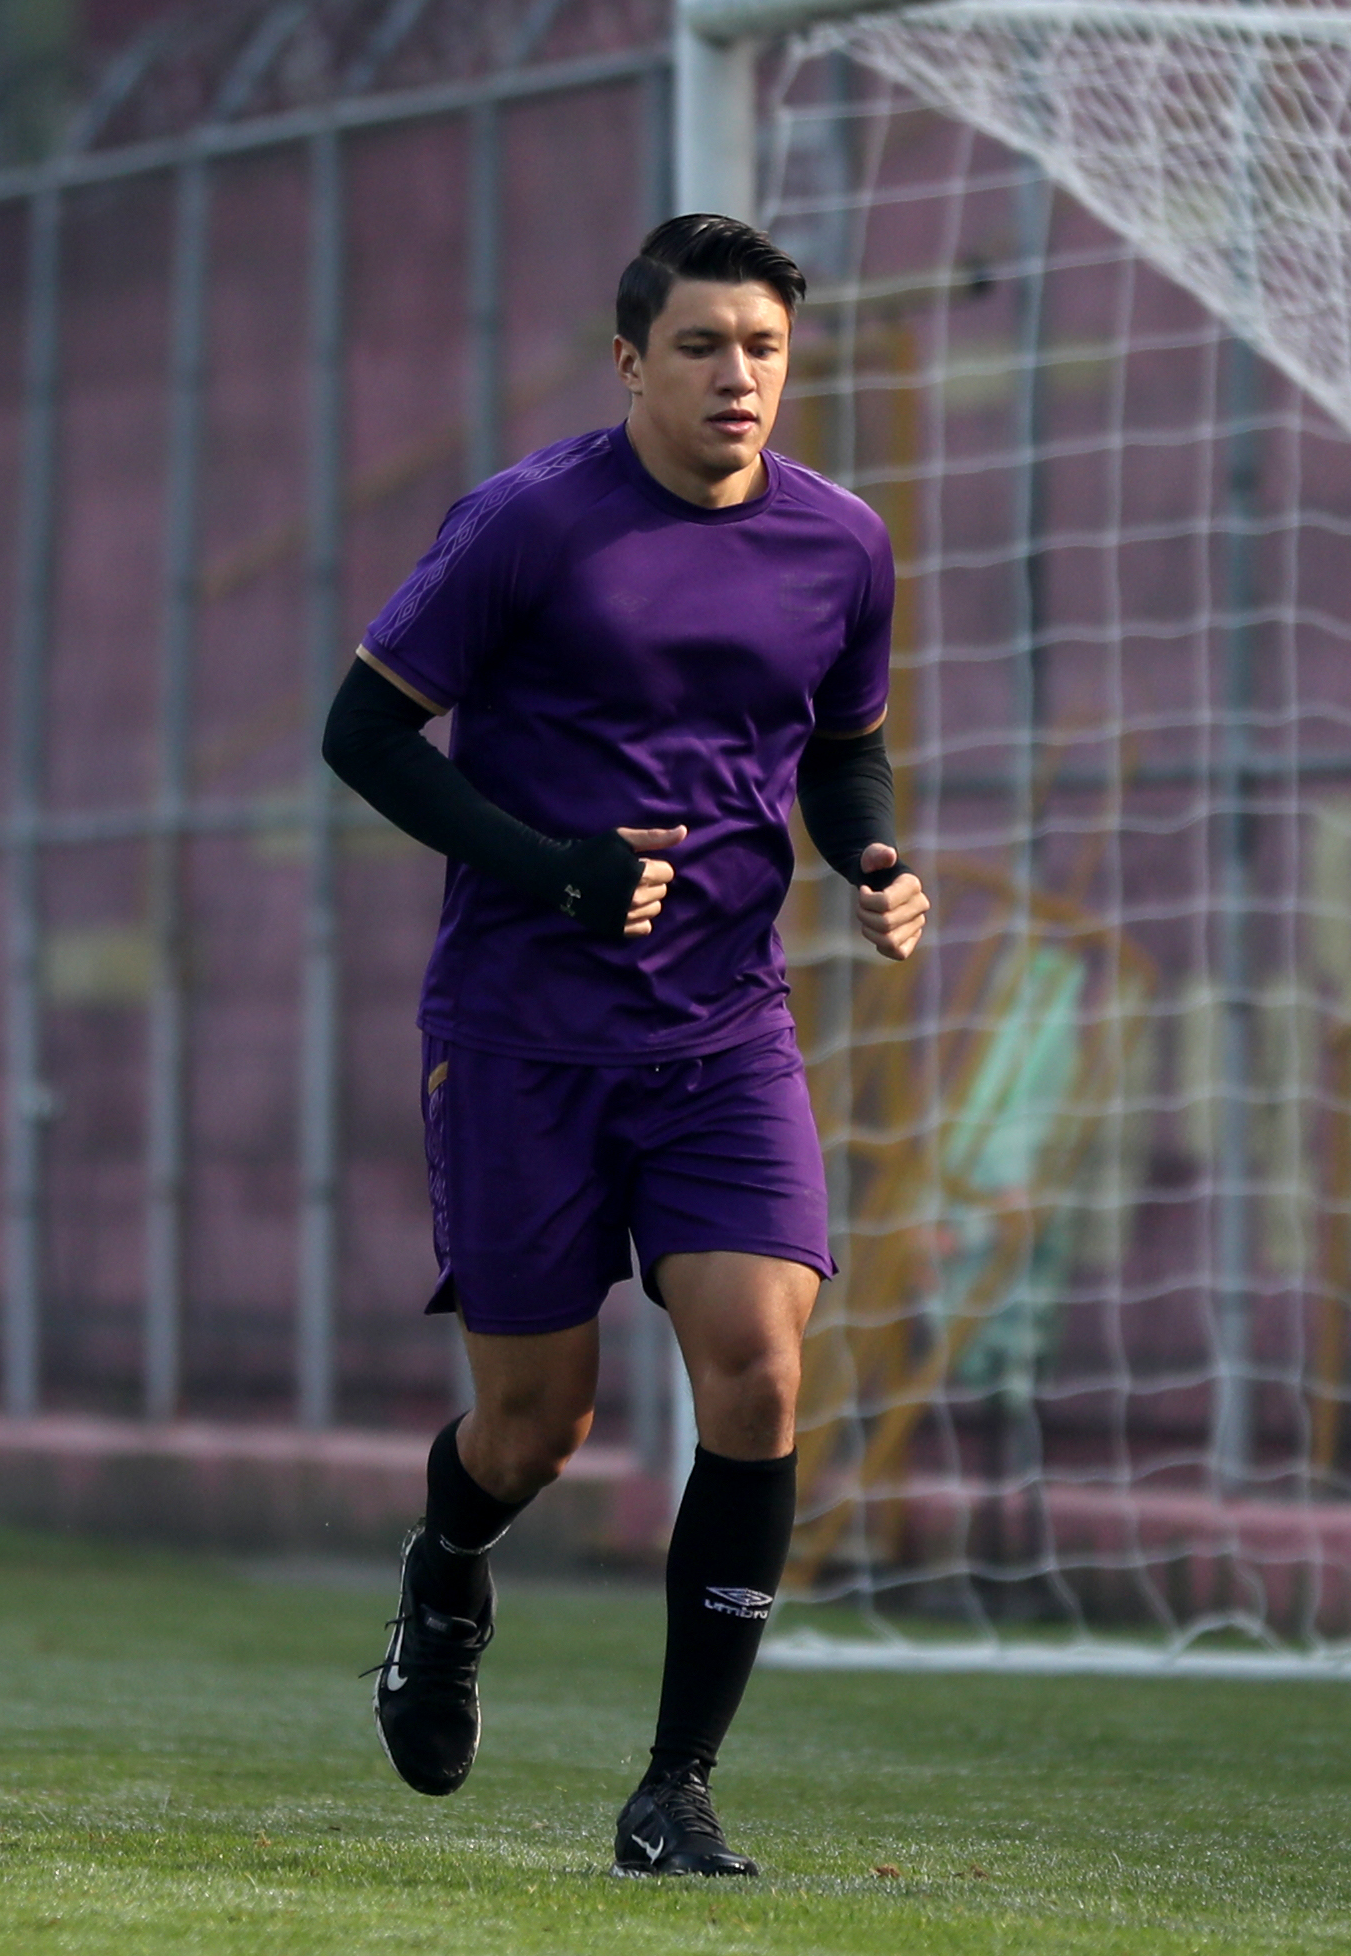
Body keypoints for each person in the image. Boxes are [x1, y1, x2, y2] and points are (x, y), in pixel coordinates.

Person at [325, 212, 929, 1876]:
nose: (738, 379)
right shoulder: (528, 525)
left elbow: (844, 756)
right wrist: (553, 870)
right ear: (627, 360)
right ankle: (447, 1566)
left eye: (763, 349)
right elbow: (361, 731)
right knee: (537, 1427)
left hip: (726, 1032)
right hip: (521, 1033)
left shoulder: (843, 545)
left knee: (757, 1364)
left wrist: (869, 854)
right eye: (701, 347)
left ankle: (675, 1787)